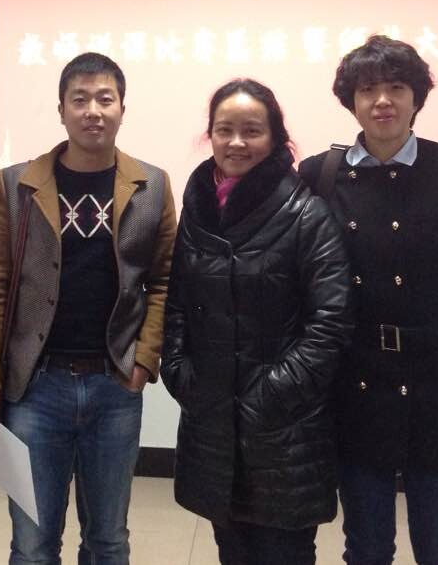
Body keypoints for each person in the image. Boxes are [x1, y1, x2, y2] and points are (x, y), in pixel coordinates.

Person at [298, 35, 438, 565]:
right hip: (356, 385)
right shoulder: (319, 175)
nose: (383, 101)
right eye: (368, 90)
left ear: (417, 97)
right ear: (350, 101)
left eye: (396, 88)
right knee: (366, 546)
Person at [0, 52, 177, 565]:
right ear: (61, 110)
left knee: (108, 540)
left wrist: (144, 360)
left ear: (123, 108)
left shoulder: (152, 185)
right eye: (79, 100)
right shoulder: (17, 183)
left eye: (105, 99)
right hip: (36, 387)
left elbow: (165, 281)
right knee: (32, 543)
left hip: (113, 385)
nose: (93, 111)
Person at [160, 79, 354, 565]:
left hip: (284, 430)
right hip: (213, 423)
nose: (236, 142)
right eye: (224, 130)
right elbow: (177, 302)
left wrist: (269, 396)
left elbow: (330, 324)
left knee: (284, 553)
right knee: (233, 551)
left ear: (275, 139)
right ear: (209, 136)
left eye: (252, 131)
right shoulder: (198, 212)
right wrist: (179, 372)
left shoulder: (307, 214)